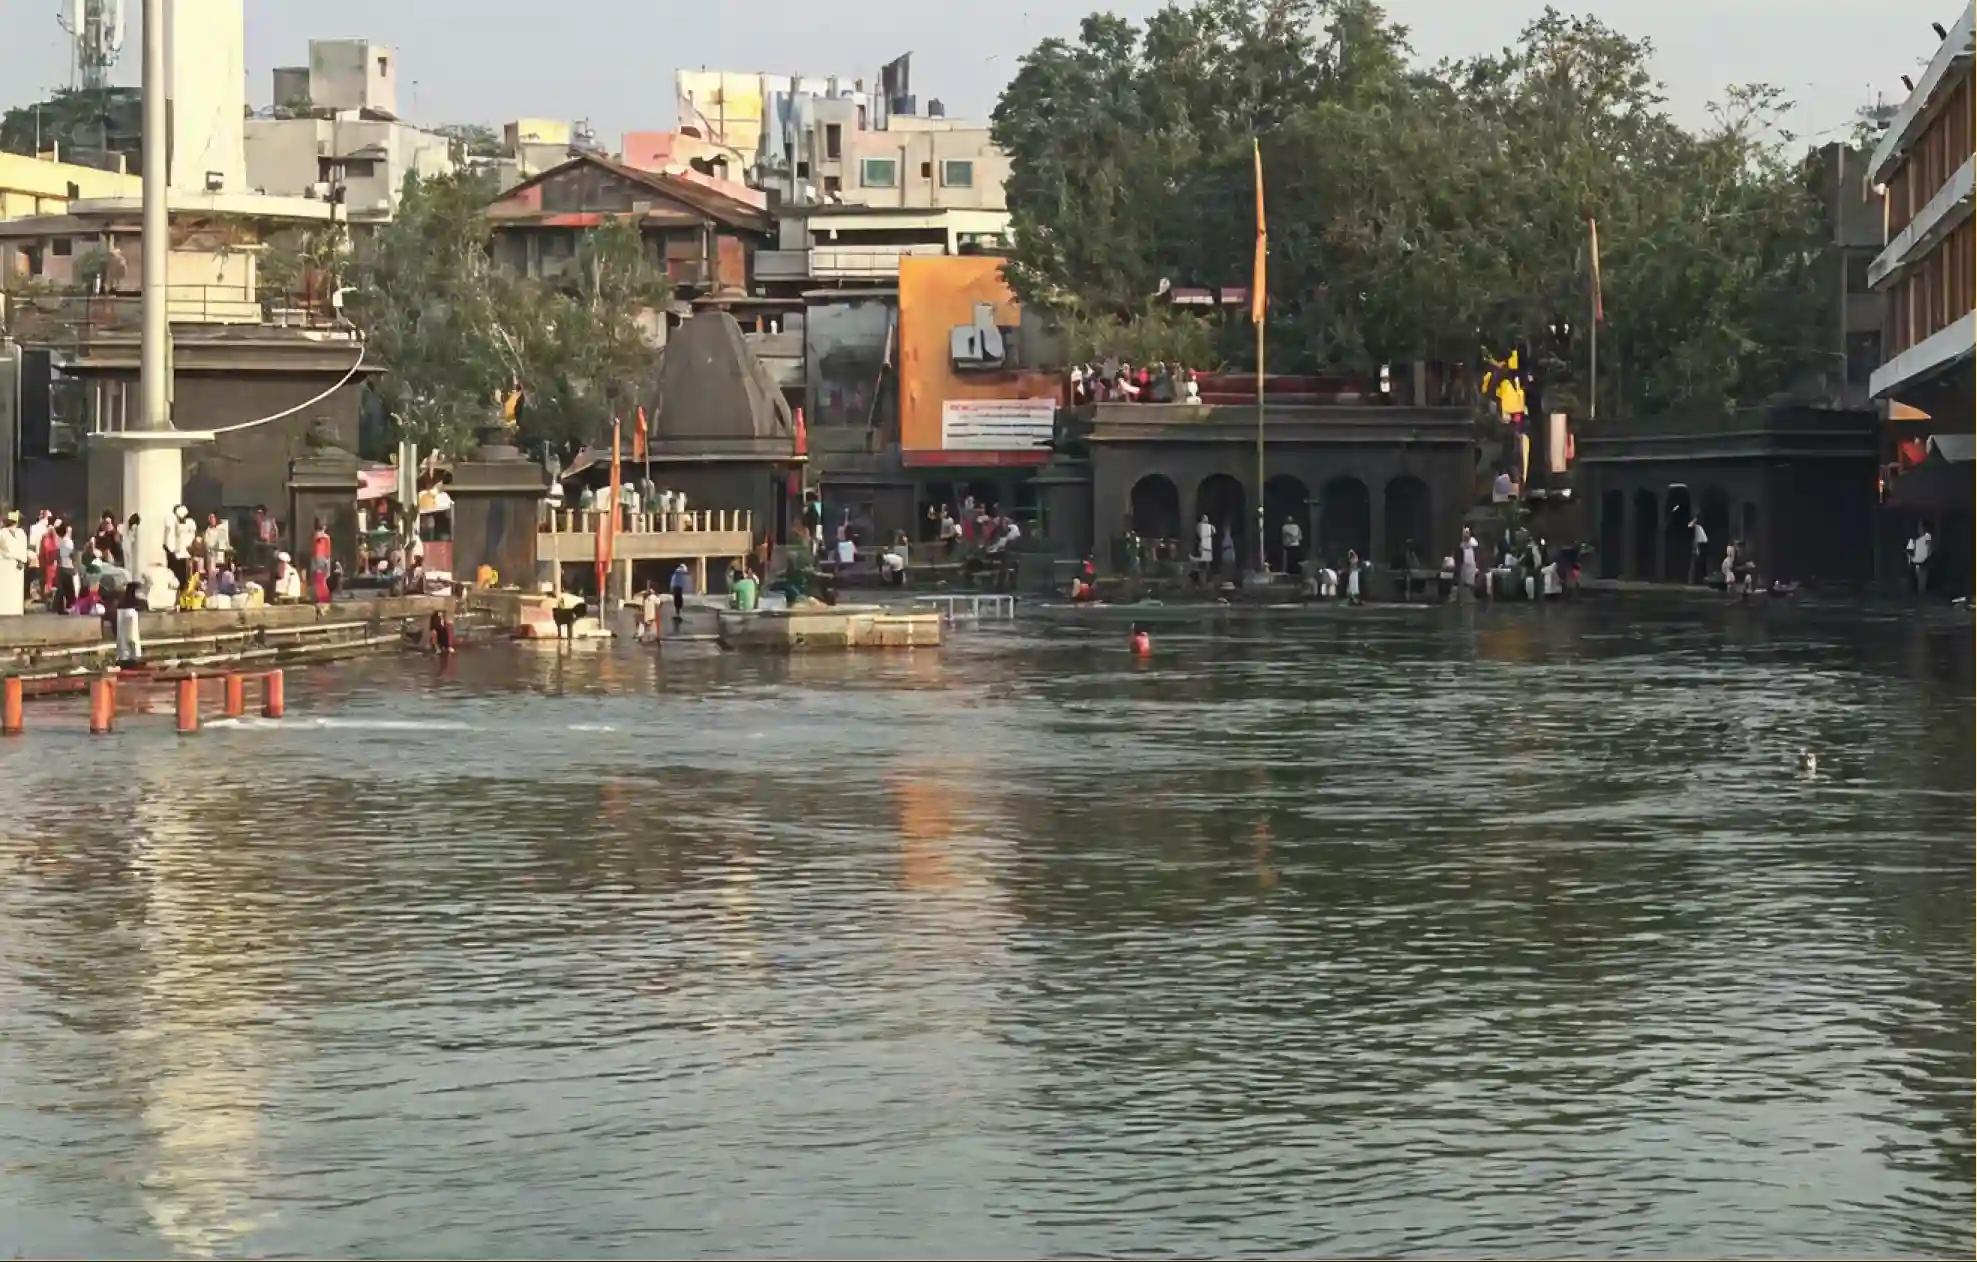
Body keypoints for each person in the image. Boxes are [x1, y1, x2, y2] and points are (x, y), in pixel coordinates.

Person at [0, 511, 24, 617]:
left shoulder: (20, 533)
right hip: (6, 564)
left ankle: (16, 609)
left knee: (17, 588)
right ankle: (5, 609)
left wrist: (21, 559)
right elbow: (4, 550)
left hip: (18, 565)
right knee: (6, 588)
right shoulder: (2, 533)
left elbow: (23, 548)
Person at [114, 581, 145, 665]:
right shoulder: (132, 610)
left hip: (123, 653)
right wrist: (136, 654)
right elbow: (132, 637)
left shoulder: (121, 605)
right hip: (131, 654)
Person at [165, 505, 196, 583]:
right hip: (178, 550)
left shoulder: (190, 522)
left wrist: (190, 545)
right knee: (178, 572)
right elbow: (173, 535)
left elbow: (192, 535)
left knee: (187, 572)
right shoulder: (175, 523)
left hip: (187, 550)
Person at [53, 521, 77, 612]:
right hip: (68, 567)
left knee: (62, 589)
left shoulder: (60, 541)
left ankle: (60, 608)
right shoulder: (69, 542)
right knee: (70, 590)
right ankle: (70, 607)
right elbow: (72, 555)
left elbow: (58, 555)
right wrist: (75, 566)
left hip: (62, 567)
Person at [309, 520, 333, 604]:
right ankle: (323, 599)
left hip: (317, 560)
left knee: (318, 581)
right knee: (322, 581)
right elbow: (328, 554)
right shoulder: (326, 537)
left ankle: (321, 599)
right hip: (323, 560)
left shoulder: (315, 537)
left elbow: (313, 551)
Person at [1908, 521, 1933, 595]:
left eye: (1920, 526)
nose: (1919, 528)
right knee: (1918, 580)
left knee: (1922, 580)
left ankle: (1922, 594)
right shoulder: (1915, 538)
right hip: (1917, 561)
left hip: (1924, 561)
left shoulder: (1927, 536)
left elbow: (1929, 548)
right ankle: (1920, 595)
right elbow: (1911, 549)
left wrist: (1927, 556)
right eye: (1918, 527)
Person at [668, 562, 690, 628]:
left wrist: (671, 588)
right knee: (678, 600)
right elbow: (686, 570)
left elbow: (673, 581)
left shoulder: (675, 574)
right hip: (678, 588)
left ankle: (677, 613)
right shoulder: (681, 572)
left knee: (677, 600)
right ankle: (678, 613)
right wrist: (683, 565)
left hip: (676, 588)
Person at [1688, 514, 1708, 585]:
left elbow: (1704, 540)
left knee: (1699, 566)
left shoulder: (1699, 528)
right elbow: (1690, 525)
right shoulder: (1690, 527)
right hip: (1693, 550)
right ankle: (1691, 581)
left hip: (1698, 550)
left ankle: (1699, 581)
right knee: (1692, 566)